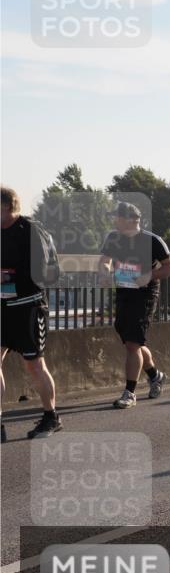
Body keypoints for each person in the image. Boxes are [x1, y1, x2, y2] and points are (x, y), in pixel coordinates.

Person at [98, 202, 170, 409]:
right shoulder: (113, 238)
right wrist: (105, 271)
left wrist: (148, 276)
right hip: (124, 292)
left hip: (145, 294)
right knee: (134, 342)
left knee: (133, 343)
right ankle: (155, 375)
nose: (114, 221)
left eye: (117, 217)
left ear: (129, 220)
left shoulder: (152, 241)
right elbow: (105, 260)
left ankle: (129, 393)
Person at [0, 186, 62, 441]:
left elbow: (47, 274)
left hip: (29, 307)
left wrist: (8, 275)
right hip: (2, 306)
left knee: (34, 365)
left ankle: (51, 417)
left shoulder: (32, 231)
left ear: (5, 207)